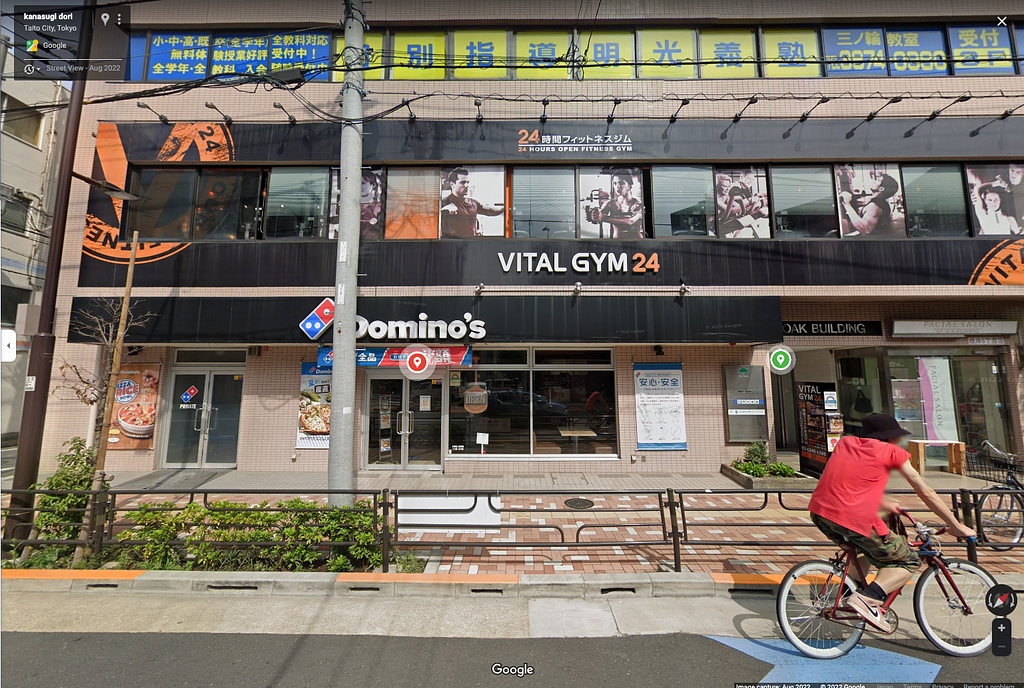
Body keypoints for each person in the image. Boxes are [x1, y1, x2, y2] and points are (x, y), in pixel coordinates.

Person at [808, 413, 976, 633]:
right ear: (888, 437)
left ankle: (845, 601)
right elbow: (925, 491)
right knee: (908, 561)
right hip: (854, 518)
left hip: (820, 513)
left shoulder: (845, 443)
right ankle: (866, 600)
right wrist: (956, 525)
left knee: (862, 552)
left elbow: (850, 481)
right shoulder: (891, 452)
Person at [440, 167, 504, 237]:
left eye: (468, 182)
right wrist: (443, 210)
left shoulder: (473, 203)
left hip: (471, 244)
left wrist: (506, 208)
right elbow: (429, 215)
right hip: (453, 245)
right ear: (452, 184)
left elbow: (490, 211)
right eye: (463, 183)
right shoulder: (443, 202)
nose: (467, 186)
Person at [589, 170, 644, 239]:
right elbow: (598, 217)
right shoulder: (610, 204)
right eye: (615, 183)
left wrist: (604, 218)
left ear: (629, 186)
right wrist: (594, 215)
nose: (617, 187)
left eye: (621, 183)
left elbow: (630, 221)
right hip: (617, 243)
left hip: (636, 243)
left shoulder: (638, 205)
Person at [360, 171, 383, 241]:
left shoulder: (378, 207)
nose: (360, 186)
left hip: (371, 241)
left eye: (363, 183)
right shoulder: (350, 206)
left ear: (373, 185)